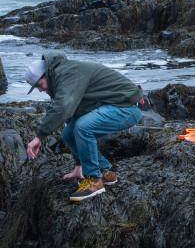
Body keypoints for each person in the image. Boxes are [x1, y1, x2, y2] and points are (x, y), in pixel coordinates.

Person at [24, 54, 143, 202]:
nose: (40, 90)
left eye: (39, 85)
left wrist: (39, 136)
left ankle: (94, 181)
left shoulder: (68, 74)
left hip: (127, 107)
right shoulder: (60, 77)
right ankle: (105, 172)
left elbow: (62, 107)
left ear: (46, 75)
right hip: (109, 106)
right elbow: (70, 114)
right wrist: (78, 164)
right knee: (68, 133)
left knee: (83, 127)